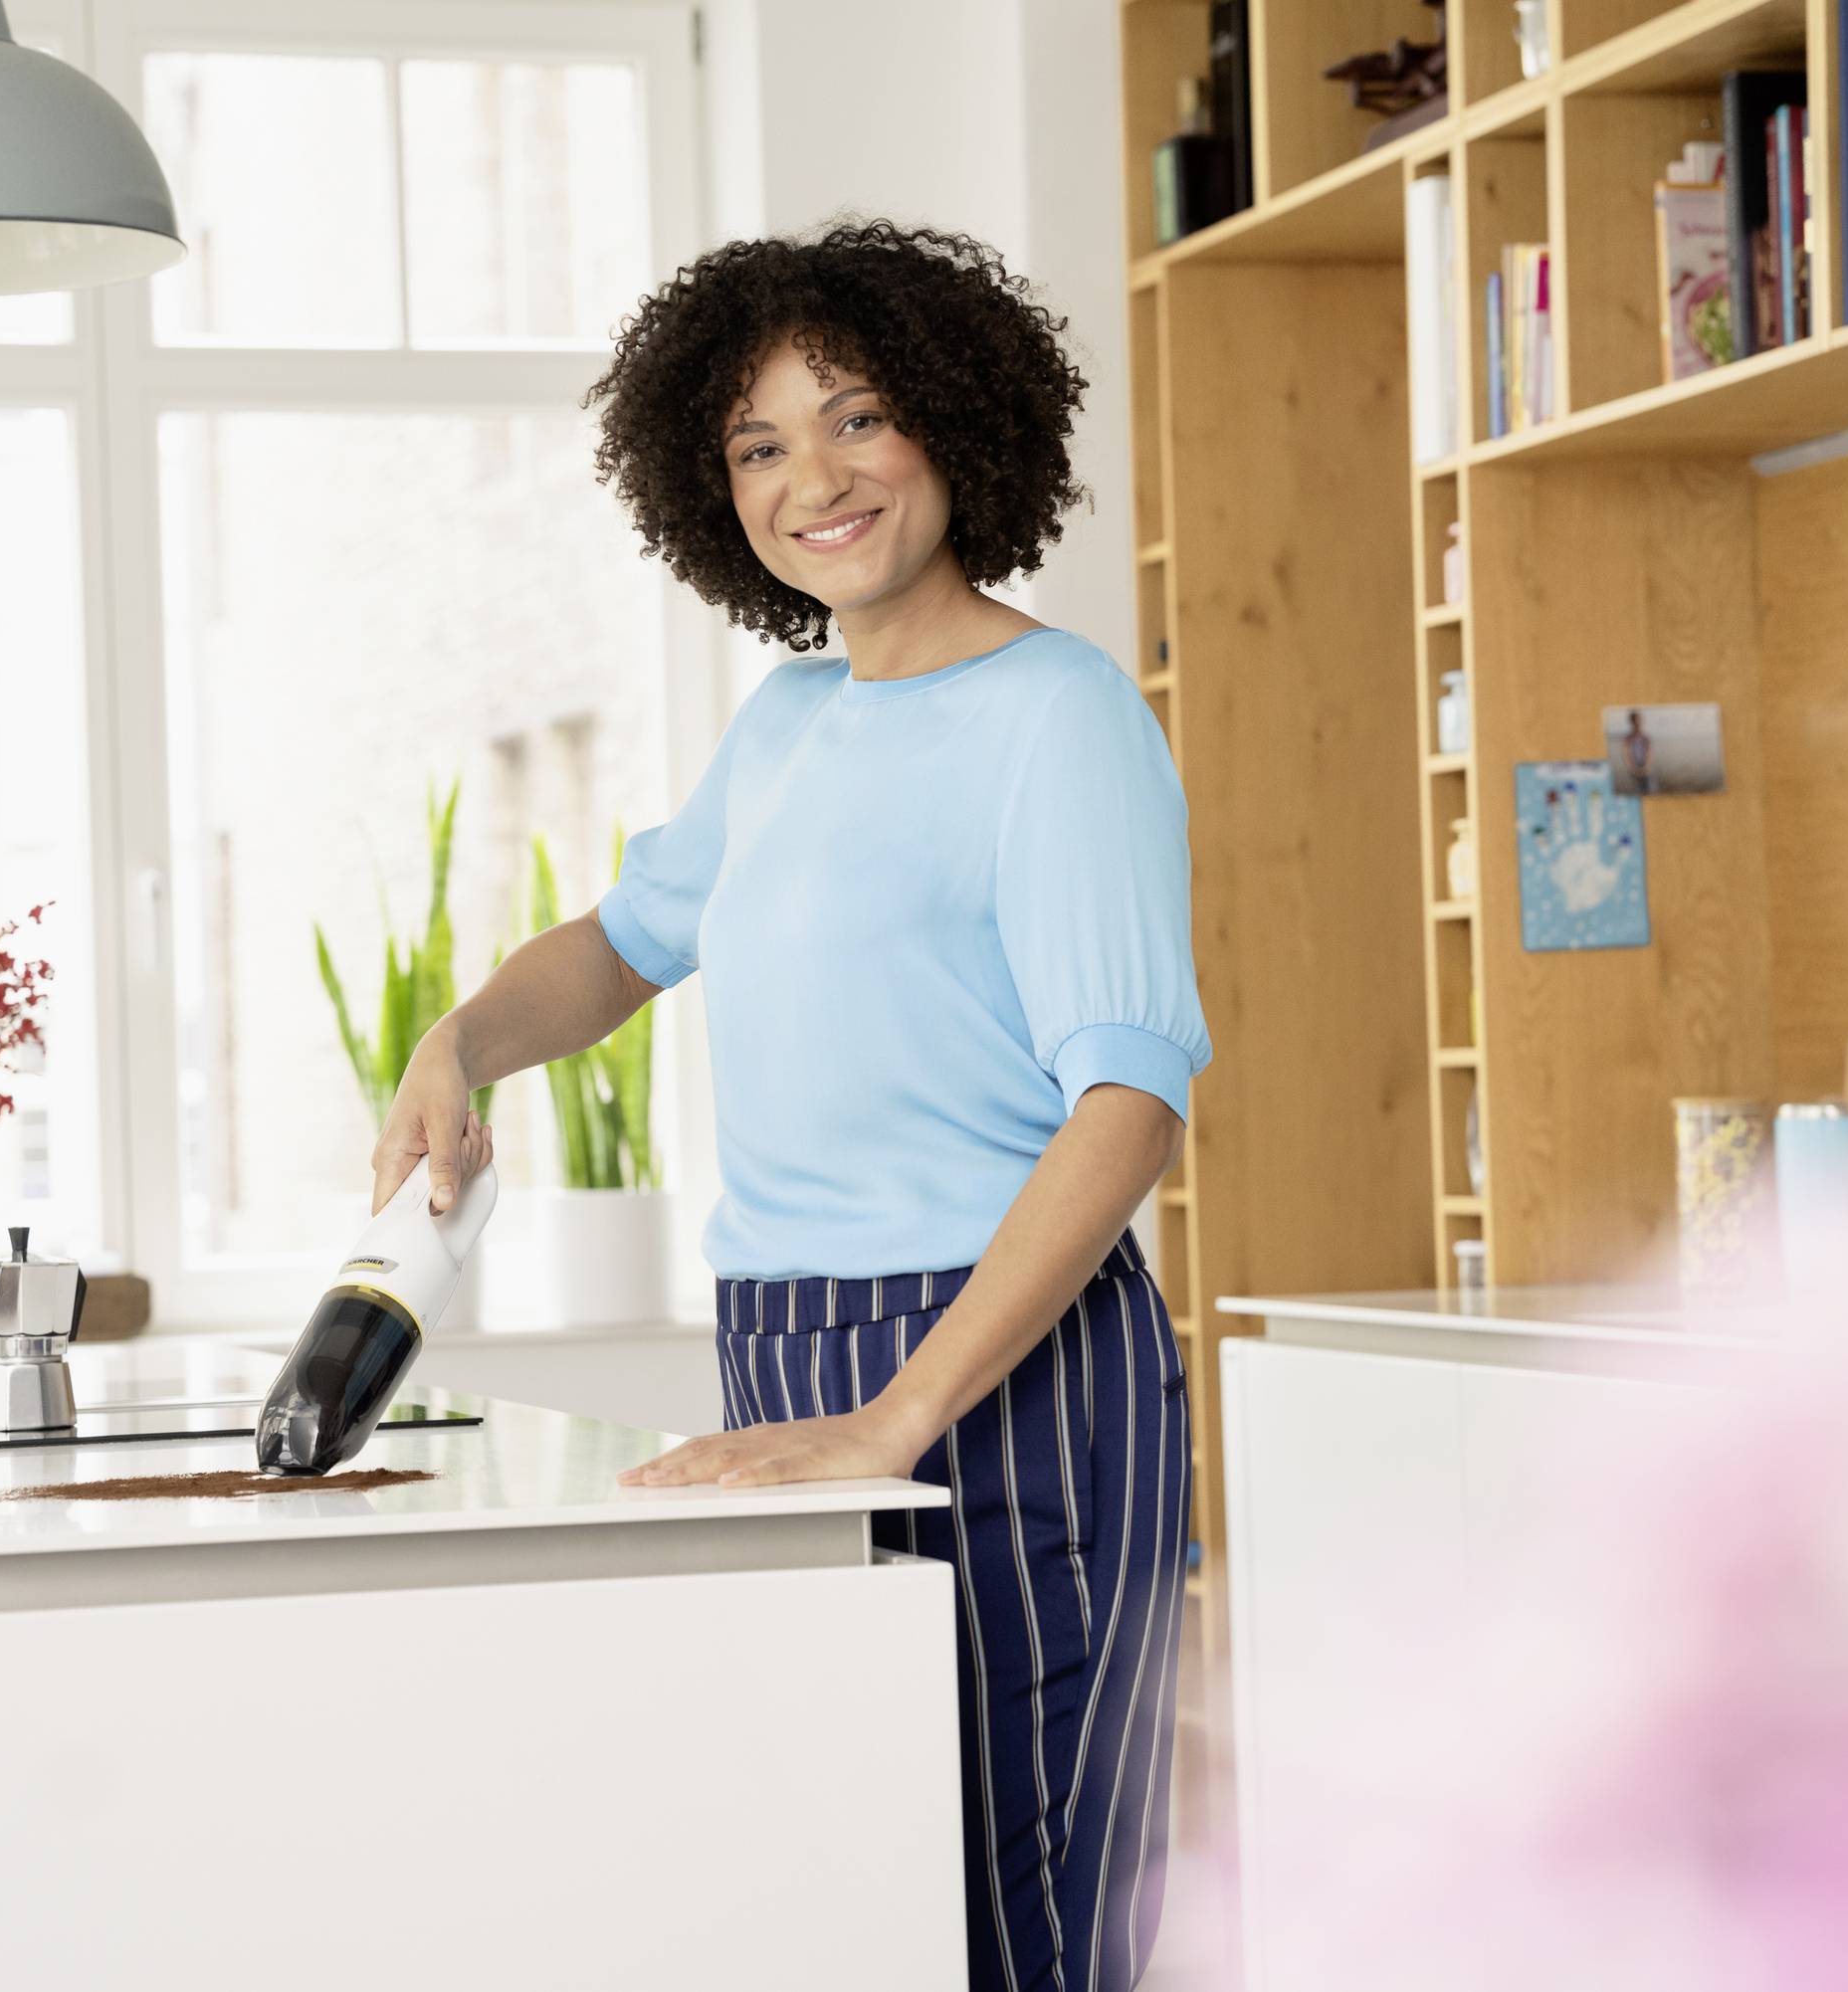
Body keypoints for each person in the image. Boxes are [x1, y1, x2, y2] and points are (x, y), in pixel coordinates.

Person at [369, 219, 1208, 1991]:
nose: (810, 477)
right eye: (759, 445)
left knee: (1033, 1903)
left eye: (853, 418)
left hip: (1003, 1368)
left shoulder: (1060, 715)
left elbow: (1130, 1101)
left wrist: (900, 1414)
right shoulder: (788, 724)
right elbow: (619, 943)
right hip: (795, 1350)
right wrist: (458, 1040)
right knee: (872, 1885)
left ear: (957, 427)